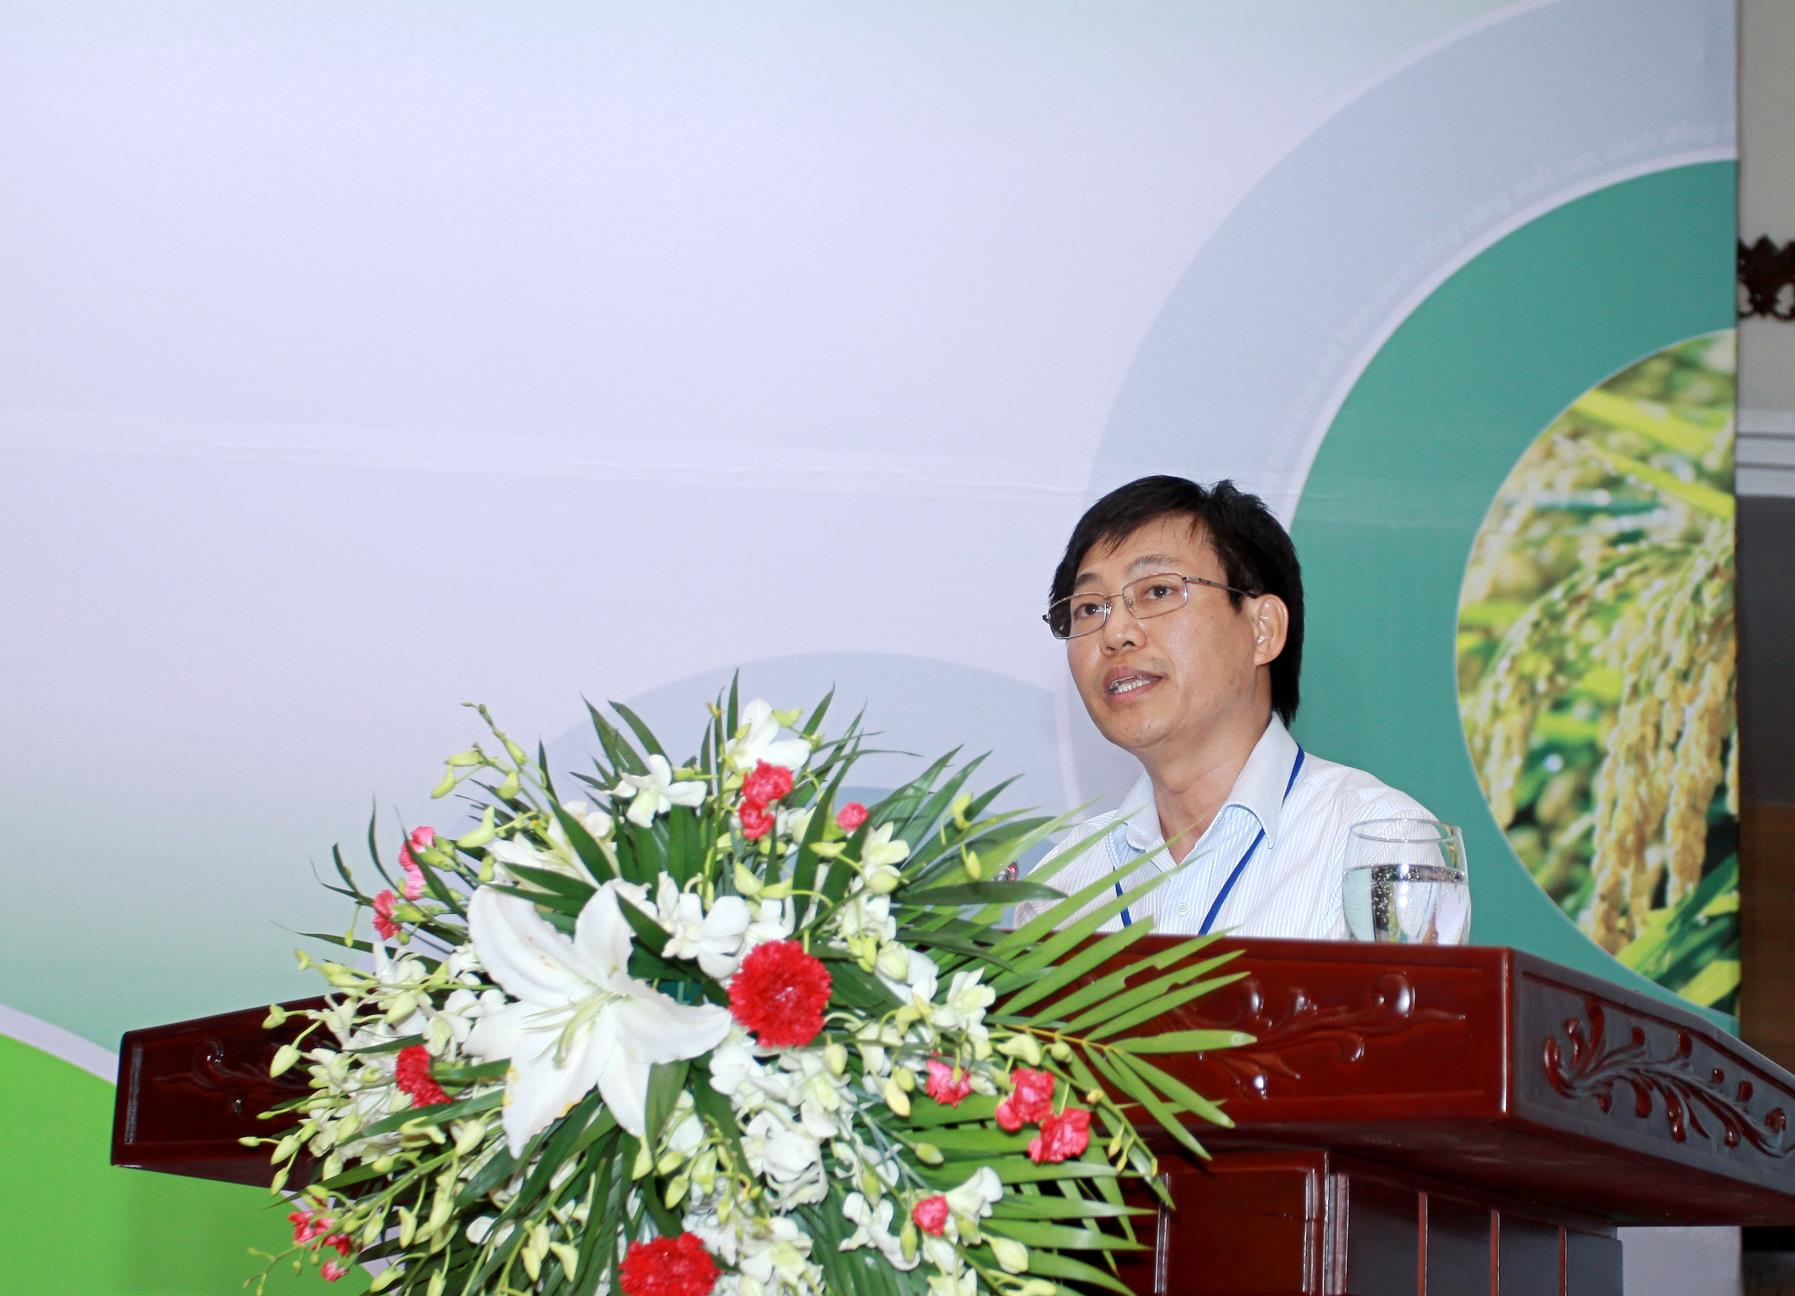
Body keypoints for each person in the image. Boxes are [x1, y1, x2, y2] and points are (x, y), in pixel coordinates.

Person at [1013, 474, 1430, 939]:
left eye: (1157, 591)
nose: (1115, 634)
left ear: (1262, 629)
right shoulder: (1061, 886)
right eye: (1089, 608)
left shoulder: (1377, 841)